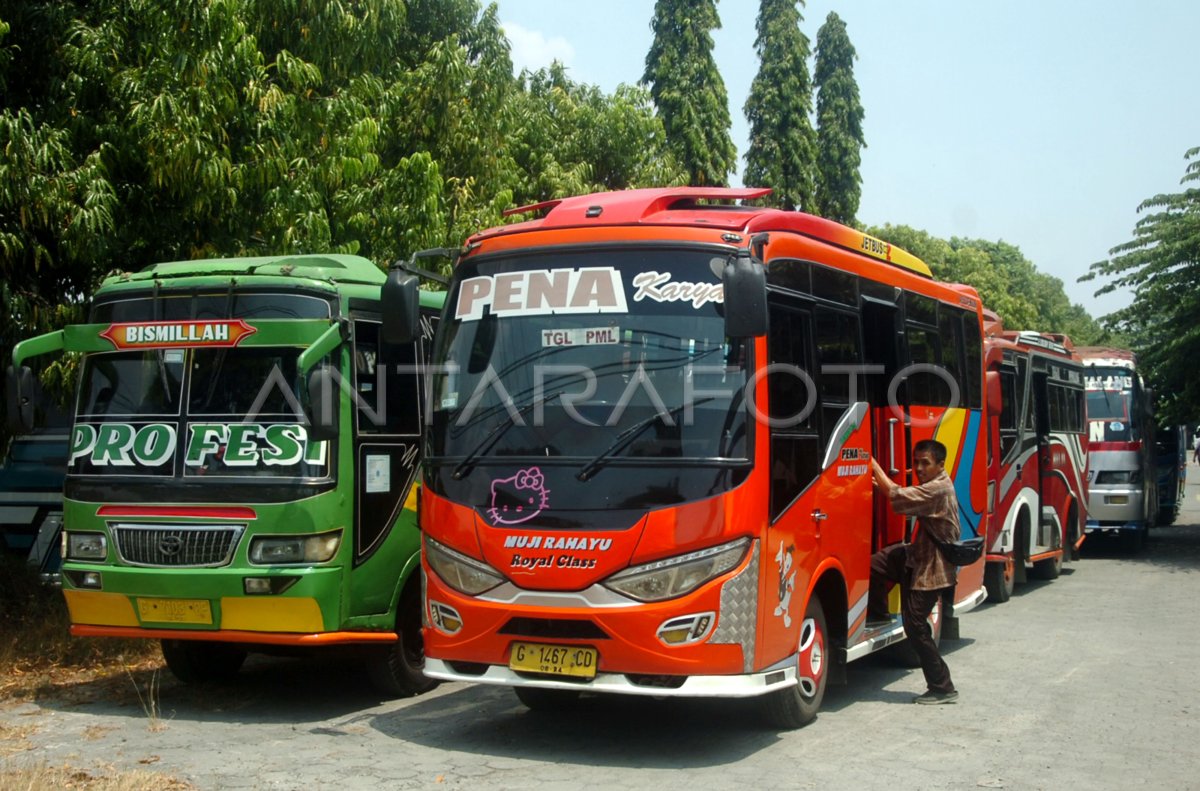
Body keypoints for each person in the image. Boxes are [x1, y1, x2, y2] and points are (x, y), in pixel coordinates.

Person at [867, 439, 960, 705]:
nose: (919, 468)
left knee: (915, 625)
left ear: (940, 465)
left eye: (925, 463)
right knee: (874, 564)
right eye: (916, 462)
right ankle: (878, 613)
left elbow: (898, 495)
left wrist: (873, 464)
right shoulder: (934, 484)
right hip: (915, 556)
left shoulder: (938, 489)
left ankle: (942, 687)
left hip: (933, 567)